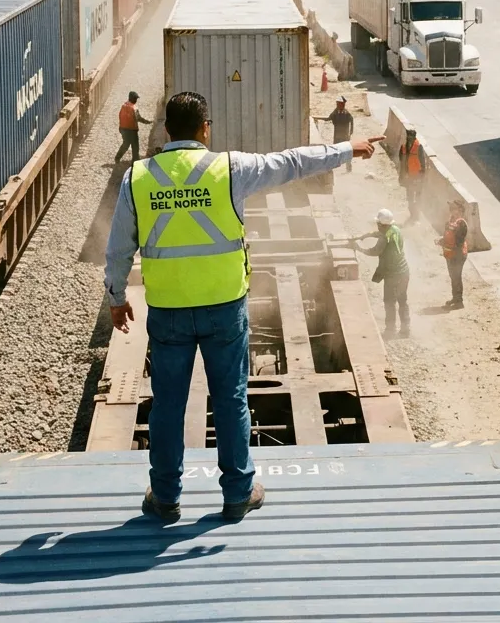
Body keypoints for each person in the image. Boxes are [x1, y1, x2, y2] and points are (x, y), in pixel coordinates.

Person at [104, 90, 382, 524]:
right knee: (231, 400)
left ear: (165, 131)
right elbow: (292, 162)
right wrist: (347, 148)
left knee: (167, 405)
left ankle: (165, 497)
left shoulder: (138, 178)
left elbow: (118, 248)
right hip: (223, 309)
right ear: (204, 129)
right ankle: (237, 494)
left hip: (168, 311)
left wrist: (117, 299)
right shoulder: (229, 169)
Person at [355, 208, 411, 338]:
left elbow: (374, 251)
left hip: (392, 274)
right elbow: (380, 233)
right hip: (404, 272)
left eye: (378, 224)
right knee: (402, 300)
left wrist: (359, 248)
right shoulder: (395, 229)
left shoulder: (384, 238)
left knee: (389, 301)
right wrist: (367, 235)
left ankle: (390, 330)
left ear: (380, 224)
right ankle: (405, 329)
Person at [436, 198, 468, 308]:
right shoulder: (451, 221)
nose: (451, 211)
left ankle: (459, 302)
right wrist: (442, 240)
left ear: (460, 210)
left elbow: (458, 242)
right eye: (451, 209)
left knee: (456, 277)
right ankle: (455, 298)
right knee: (453, 277)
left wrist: (444, 243)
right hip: (450, 254)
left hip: (457, 255)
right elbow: (448, 236)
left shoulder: (461, 224)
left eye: (454, 209)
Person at [115, 91, 152, 164]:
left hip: (123, 129)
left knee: (125, 144)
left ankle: (117, 157)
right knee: (135, 146)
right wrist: (148, 122)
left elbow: (120, 116)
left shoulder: (124, 105)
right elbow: (138, 118)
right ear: (132, 98)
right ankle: (135, 161)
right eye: (135, 98)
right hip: (132, 130)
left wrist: (120, 127)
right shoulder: (134, 108)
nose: (136, 100)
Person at [398, 128, 426, 221]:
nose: (410, 139)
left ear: (414, 137)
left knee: (417, 197)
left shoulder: (418, 147)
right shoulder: (403, 147)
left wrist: (421, 177)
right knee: (410, 197)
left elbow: (423, 163)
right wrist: (401, 175)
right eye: (408, 137)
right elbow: (401, 161)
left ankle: (416, 215)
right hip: (408, 176)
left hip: (417, 176)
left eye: (411, 137)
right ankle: (412, 214)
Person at [320, 96, 355, 171]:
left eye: (339, 104)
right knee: (335, 150)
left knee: (346, 151)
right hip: (337, 136)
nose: (337, 105)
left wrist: (351, 132)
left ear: (343, 104)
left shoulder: (347, 113)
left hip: (345, 136)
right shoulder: (336, 112)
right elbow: (329, 117)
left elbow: (352, 122)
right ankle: (335, 167)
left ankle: (348, 167)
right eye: (337, 104)